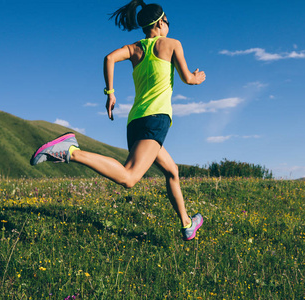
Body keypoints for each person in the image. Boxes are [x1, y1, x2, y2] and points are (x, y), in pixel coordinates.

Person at [30, 0, 206, 241]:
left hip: (136, 122)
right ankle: (70, 151)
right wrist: (197, 77)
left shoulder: (135, 49)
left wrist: (110, 93)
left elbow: (109, 58)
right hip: (156, 119)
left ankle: (187, 223)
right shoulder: (172, 44)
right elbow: (187, 79)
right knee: (130, 177)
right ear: (160, 21)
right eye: (168, 22)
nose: (168, 26)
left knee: (172, 171)